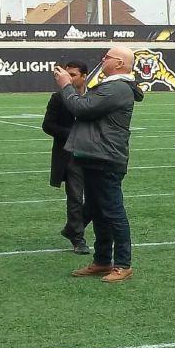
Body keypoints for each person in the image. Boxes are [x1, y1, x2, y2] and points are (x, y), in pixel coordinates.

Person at [53, 46, 144, 283]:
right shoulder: (112, 86)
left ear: (119, 63)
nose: (103, 59)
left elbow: (81, 108)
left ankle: (123, 264)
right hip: (95, 156)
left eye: (108, 57)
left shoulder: (117, 87)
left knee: (113, 213)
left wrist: (66, 85)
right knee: (99, 212)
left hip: (106, 157)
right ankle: (103, 260)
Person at [42, 60, 91, 255]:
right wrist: (73, 134)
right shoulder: (58, 98)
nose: (68, 78)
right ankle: (78, 238)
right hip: (70, 155)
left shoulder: (96, 96)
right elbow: (47, 125)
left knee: (98, 198)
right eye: (67, 74)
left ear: (84, 76)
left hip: (95, 153)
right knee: (75, 197)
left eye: (73, 75)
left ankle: (72, 228)